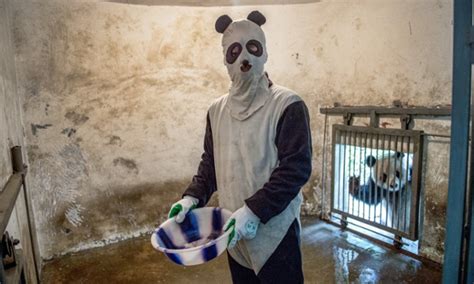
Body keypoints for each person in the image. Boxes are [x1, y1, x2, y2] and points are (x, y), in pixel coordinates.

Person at [168, 10, 312, 284]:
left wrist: (254, 210)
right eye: (235, 51)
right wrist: (192, 197)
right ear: (225, 60)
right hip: (233, 231)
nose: (245, 58)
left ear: (265, 52)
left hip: (275, 232)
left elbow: (296, 169)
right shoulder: (216, 111)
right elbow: (211, 163)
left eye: (253, 48)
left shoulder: (288, 105)